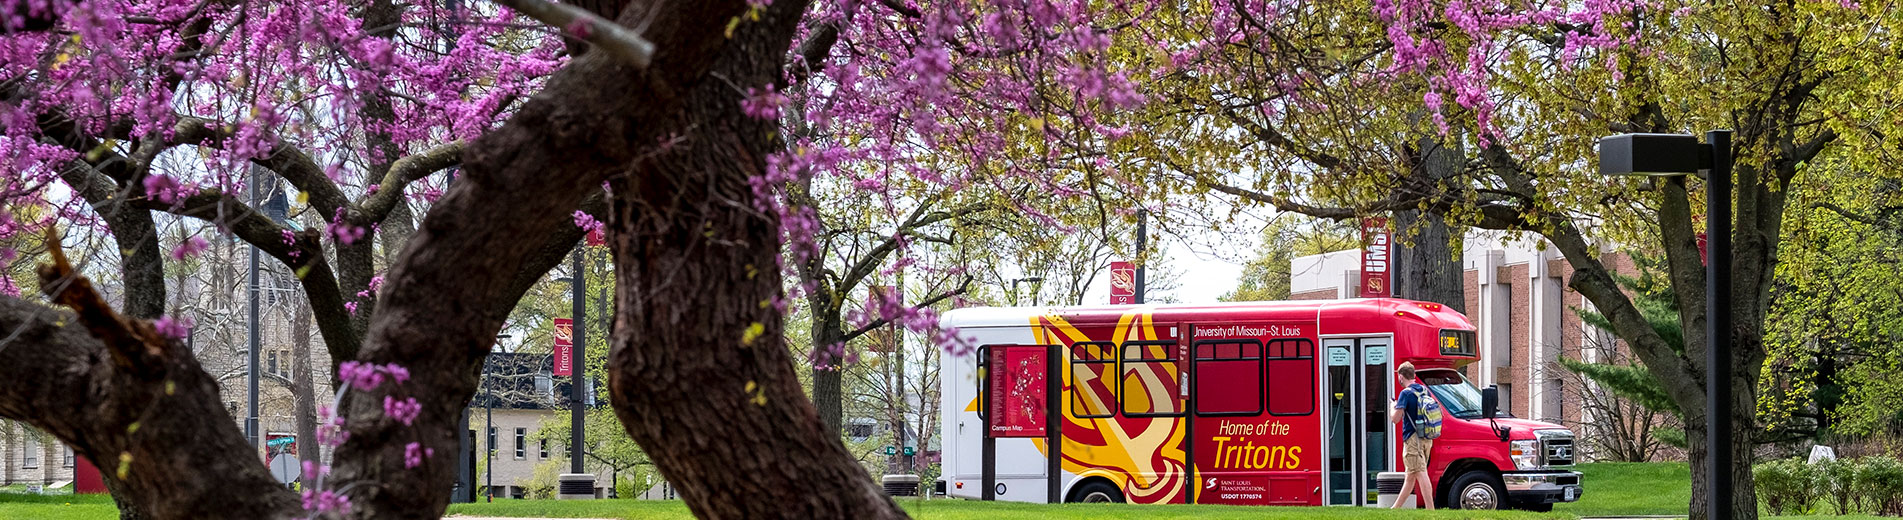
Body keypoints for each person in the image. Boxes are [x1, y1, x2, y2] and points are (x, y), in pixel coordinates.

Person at [1389, 361, 1437, 509]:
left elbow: (1395, 419)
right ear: (1414, 375)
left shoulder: (1405, 393)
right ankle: (1395, 509)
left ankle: (1431, 510)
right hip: (1426, 438)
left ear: (1401, 377)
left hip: (1412, 440)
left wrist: (1392, 406)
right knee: (1410, 476)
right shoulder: (1424, 390)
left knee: (1421, 473)